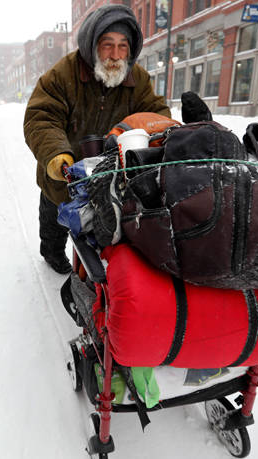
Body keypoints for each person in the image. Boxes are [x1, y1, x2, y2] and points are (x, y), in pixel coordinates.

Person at [24, 4, 171, 274]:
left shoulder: (136, 78)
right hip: (65, 169)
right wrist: (57, 155)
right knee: (54, 216)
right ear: (93, 44)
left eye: (122, 46)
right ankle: (52, 252)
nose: (115, 55)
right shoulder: (62, 74)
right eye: (107, 45)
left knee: (106, 223)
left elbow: (156, 115)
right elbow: (42, 117)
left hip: (111, 172)